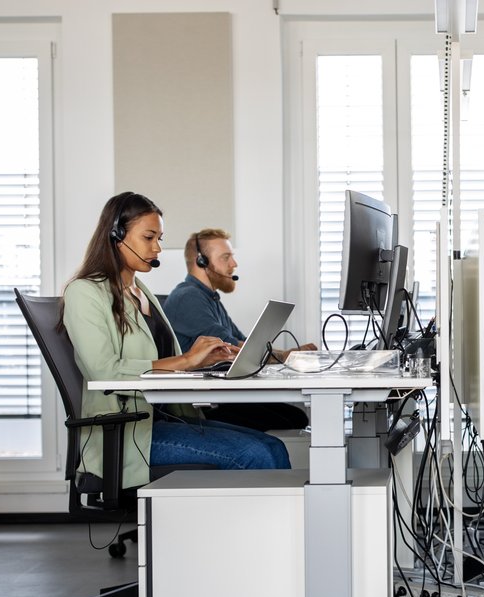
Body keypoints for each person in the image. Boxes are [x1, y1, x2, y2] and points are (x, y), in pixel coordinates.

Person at [61, 192, 291, 489]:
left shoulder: (139, 291)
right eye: (149, 237)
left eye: (159, 237)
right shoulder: (85, 292)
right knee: (256, 454)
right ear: (116, 235)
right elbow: (105, 371)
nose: (157, 247)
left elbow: (165, 360)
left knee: (272, 447)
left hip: (163, 421)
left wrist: (201, 361)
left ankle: (277, 534)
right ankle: (262, 534)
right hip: (128, 435)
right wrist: (185, 361)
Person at [162, 227, 315, 431]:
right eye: (226, 257)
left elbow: (244, 341)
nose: (234, 264)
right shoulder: (188, 298)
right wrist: (285, 356)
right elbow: (235, 348)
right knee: (293, 419)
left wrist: (286, 355)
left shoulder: (210, 298)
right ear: (202, 262)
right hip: (204, 404)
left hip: (221, 393)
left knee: (295, 416)